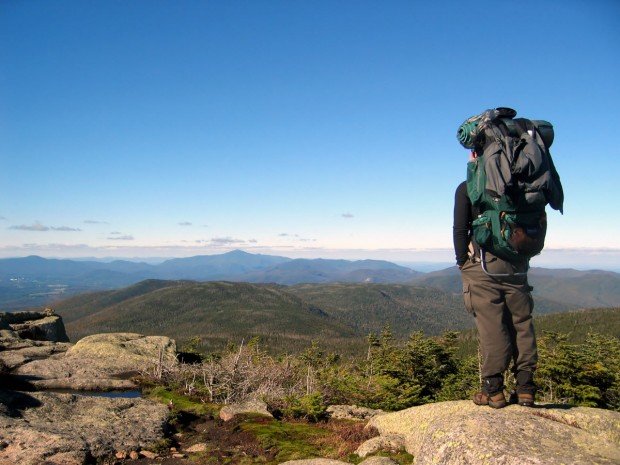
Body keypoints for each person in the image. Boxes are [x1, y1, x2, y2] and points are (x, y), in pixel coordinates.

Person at [453, 149, 537, 408]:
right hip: (517, 265)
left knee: (492, 325)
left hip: (483, 265)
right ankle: (525, 388)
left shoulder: (469, 187)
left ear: (477, 154)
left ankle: (493, 389)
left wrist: (462, 261)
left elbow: (459, 228)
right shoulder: (523, 184)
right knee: (521, 322)